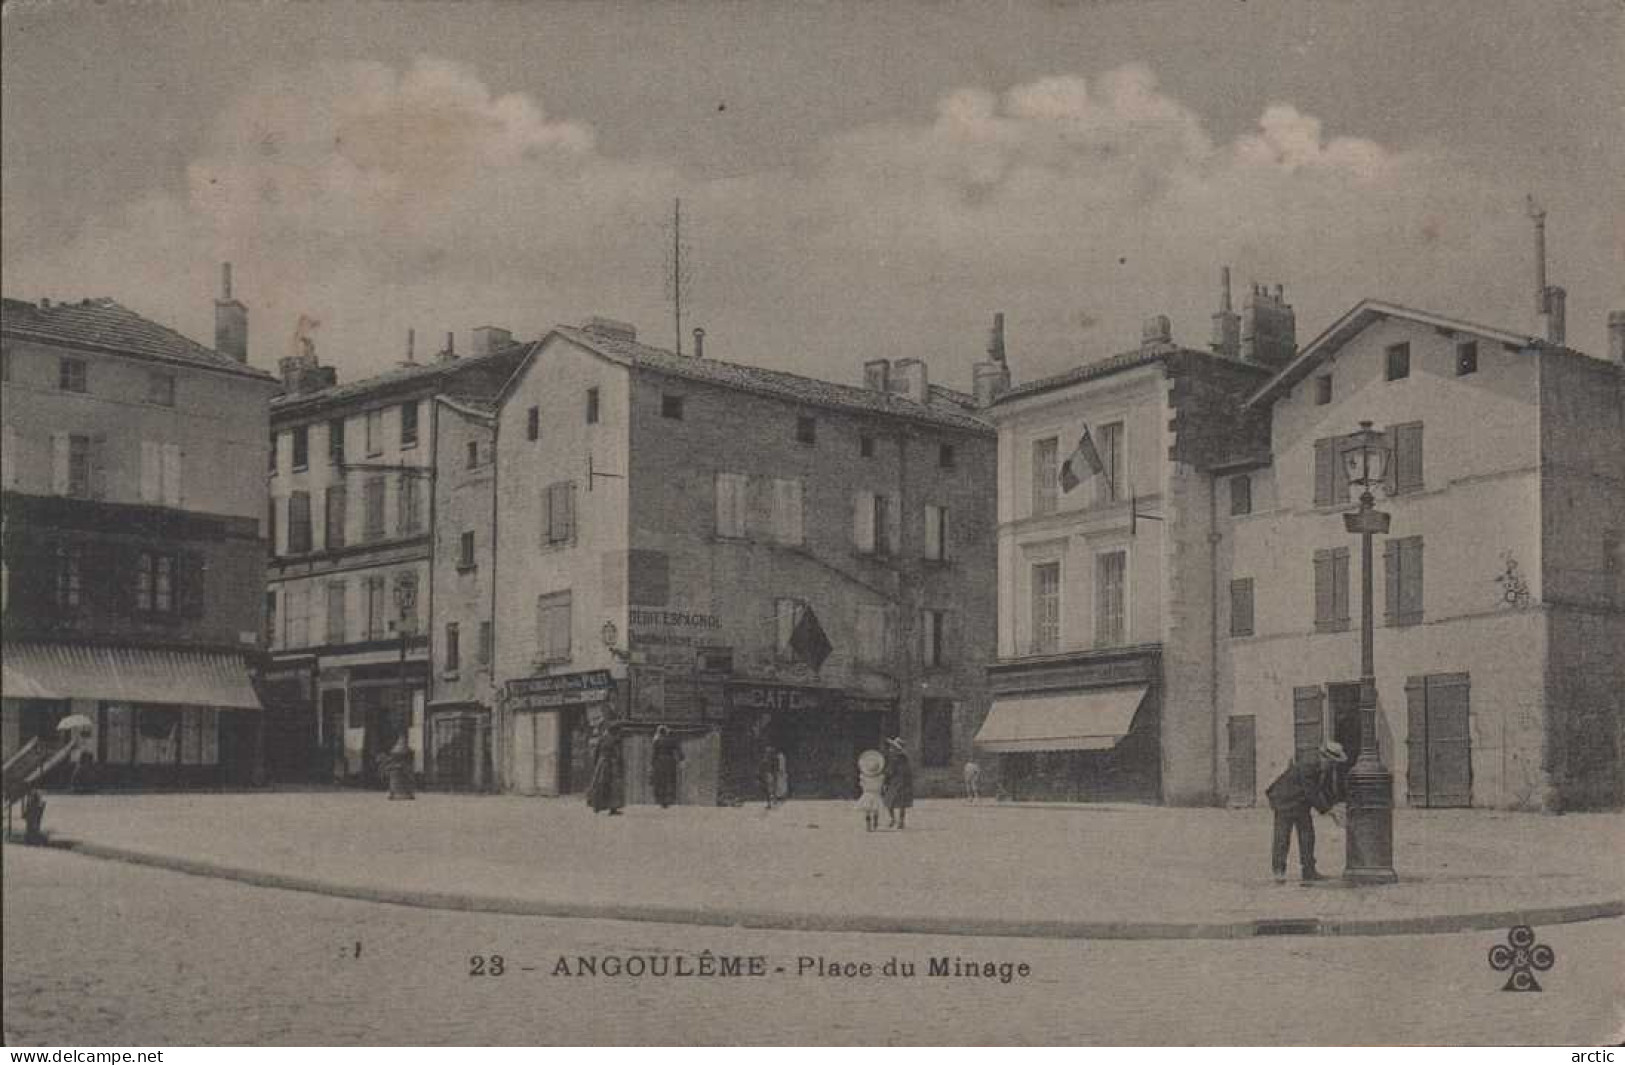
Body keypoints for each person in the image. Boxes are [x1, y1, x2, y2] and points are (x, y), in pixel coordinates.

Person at [1265, 740, 1348, 882]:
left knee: (1307, 836)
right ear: (1325, 757)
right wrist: (1329, 810)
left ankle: (1309, 871)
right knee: (1282, 836)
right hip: (1284, 800)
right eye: (1333, 762)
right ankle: (1278, 871)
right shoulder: (1308, 765)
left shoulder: (1324, 768)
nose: (1334, 765)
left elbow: (1324, 790)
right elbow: (1311, 792)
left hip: (1301, 802)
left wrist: (1332, 807)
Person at [587, 726, 624, 815]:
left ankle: (597, 806)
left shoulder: (602, 739)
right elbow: (618, 753)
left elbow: (596, 752)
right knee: (613, 786)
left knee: (599, 784)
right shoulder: (615, 740)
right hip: (611, 763)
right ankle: (613, 808)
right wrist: (620, 764)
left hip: (601, 763)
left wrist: (596, 764)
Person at [882, 737, 914, 829]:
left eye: (892, 747)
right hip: (903, 782)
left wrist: (885, 778)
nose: (890, 749)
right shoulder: (904, 758)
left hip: (896, 782)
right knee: (901, 803)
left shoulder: (895, 759)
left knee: (889, 801)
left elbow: (890, 771)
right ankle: (900, 821)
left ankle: (894, 819)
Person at [650, 725, 683, 809]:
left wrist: (652, 762)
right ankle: (668, 800)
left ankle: (661, 800)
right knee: (669, 780)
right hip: (670, 760)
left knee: (661, 780)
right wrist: (681, 757)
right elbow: (678, 749)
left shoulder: (656, 740)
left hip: (660, 761)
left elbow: (654, 753)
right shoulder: (671, 740)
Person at [856, 749, 886, 832]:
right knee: (876, 810)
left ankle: (868, 825)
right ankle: (875, 823)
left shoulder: (863, 777)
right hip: (876, 794)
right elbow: (882, 786)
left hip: (867, 794)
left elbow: (861, 785)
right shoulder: (881, 777)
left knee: (867, 811)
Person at [758, 744, 781, 809]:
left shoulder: (772, 759)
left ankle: (772, 801)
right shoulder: (767, 759)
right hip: (769, 774)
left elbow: (776, 767)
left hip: (771, 774)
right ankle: (772, 801)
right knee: (770, 789)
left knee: (771, 789)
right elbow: (762, 767)